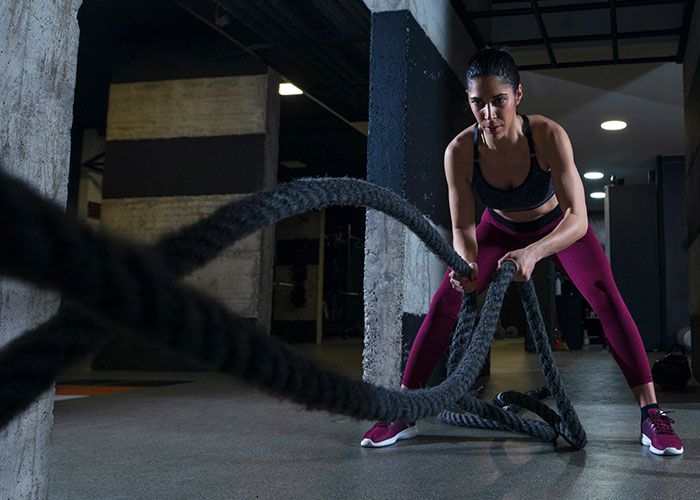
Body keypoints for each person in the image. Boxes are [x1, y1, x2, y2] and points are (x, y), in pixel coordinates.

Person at [359, 48, 683, 456]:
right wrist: (468, 262)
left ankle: (651, 414)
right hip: (498, 227)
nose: (489, 114)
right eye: (478, 103)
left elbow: (578, 217)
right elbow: (462, 225)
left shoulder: (547, 135)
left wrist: (532, 253)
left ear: (517, 96)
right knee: (446, 300)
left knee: (606, 298)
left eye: (499, 101)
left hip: (557, 227)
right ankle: (403, 411)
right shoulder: (460, 150)